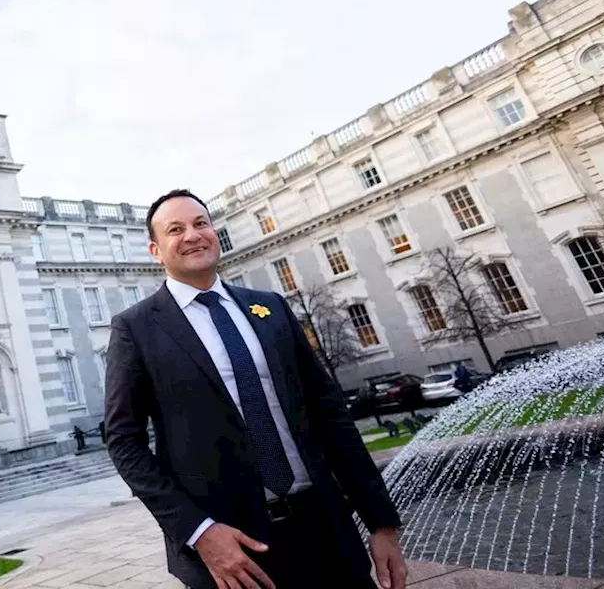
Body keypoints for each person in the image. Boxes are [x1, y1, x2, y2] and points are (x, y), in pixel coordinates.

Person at [103, 189, 407, 589]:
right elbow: (124, 441)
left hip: (325, 528)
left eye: (200, 223)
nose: (192, 235)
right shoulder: (136, 328)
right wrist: (198, 531)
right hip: (232, 550)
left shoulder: (270, 308)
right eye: (175, 230)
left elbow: (330, 415)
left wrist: (381, 522)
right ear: (156, 250)